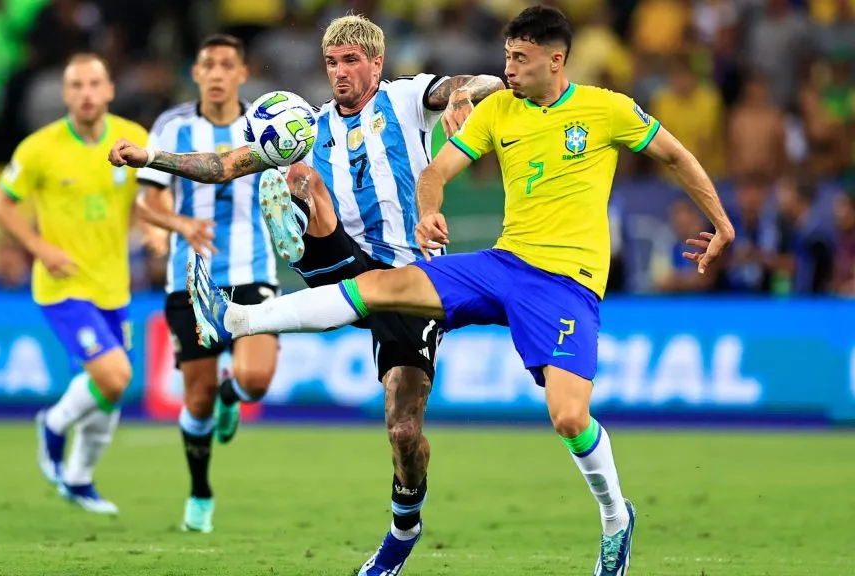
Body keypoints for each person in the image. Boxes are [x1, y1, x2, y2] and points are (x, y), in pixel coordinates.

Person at [183, 6, 735, 576]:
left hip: (566, 286)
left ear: (556, 59)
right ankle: (236, 317)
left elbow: (675, 155)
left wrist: (721, 223)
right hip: (501, 265)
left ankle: (617, 519)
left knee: (570, 418)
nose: (509, 68)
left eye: (520, 58)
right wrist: (428, 215)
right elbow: (435, 172)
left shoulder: (607, 109)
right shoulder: (498, 111)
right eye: (506, 57)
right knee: (375, 287)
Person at [109, 14, 505, 574]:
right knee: (292, 174)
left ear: (375, 63)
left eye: (350, 61)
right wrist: (152, 158)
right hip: (343, 268)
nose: (340, 73)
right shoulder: (309, 127)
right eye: (331, 63)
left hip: (413, 283)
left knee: (403, 429)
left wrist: (468, 96)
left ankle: (404, 527)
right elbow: (224, 164)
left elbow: (475, 83)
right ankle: (291, 248)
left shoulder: (410, 98)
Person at [0, 53, 182, 515]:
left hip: (114, 286)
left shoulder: (133, 138)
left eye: (95, 83)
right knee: (115, 376)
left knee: (111, 393)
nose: (87, 93)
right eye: (76, 85)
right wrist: (40, 248)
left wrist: (156, 230)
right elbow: (0, 204)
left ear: (110, 89)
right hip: (63, 286)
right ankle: (53, 424)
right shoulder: (39, 148)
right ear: (65, 93)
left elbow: (149, 199)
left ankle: (78, 478)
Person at [133, 34, 280, 534]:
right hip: (189, 281)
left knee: (256, 380)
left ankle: (231, 396)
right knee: (193, 399)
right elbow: (146, 202)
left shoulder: (262, 125)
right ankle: (200, 490)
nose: (217, 73)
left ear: (242, 74)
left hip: (254, 273)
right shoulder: (172, 127)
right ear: (196, 73)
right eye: (208, 64)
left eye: (226, 65)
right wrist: (178, 226)